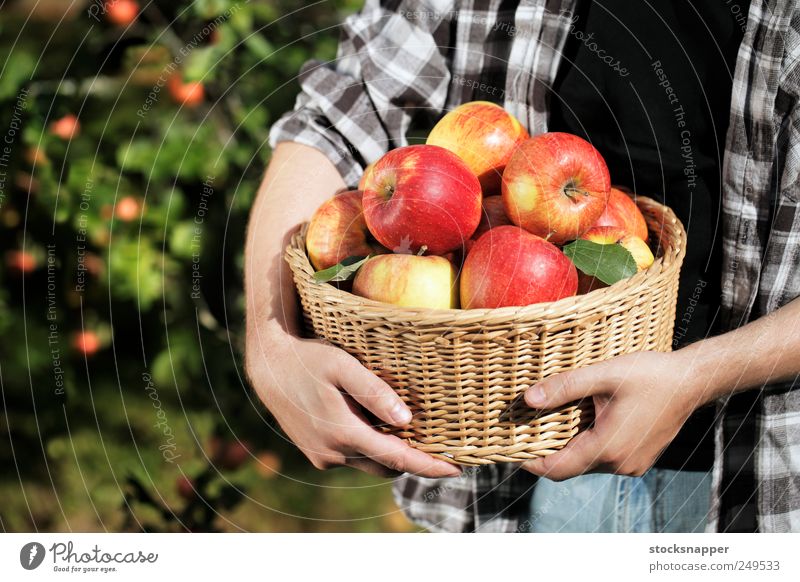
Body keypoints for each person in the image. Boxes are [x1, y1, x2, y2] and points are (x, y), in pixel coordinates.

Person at [244, 0, 800, 533]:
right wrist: (270, 343)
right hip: (498, 466)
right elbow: (339, 112)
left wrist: (696, 376)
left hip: (754, 479)